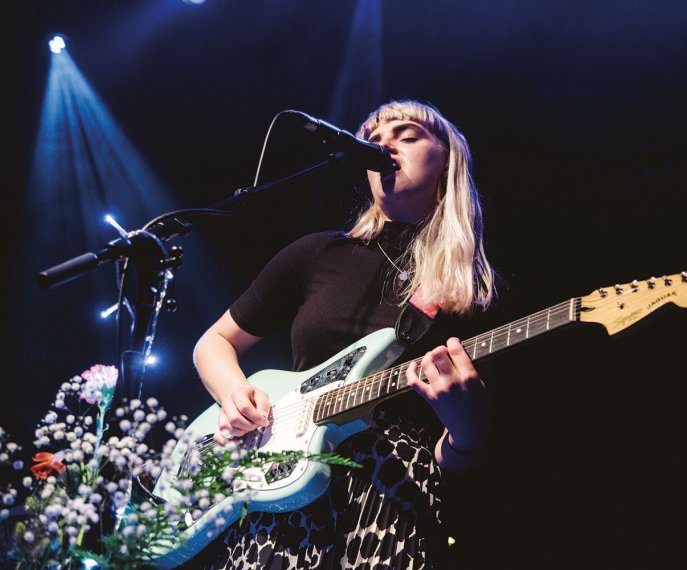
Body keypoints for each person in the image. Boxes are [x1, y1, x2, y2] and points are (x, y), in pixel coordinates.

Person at [191, 99, 497, 569]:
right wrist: (235, 396)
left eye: (407, 135)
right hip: (280, 483)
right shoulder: (316, 254)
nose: (384, 147)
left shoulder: (471, 288)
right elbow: (214, 342)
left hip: (393, 488)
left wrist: (466, 429)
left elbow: (458, 460)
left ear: (447, 161)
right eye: (373, 142)